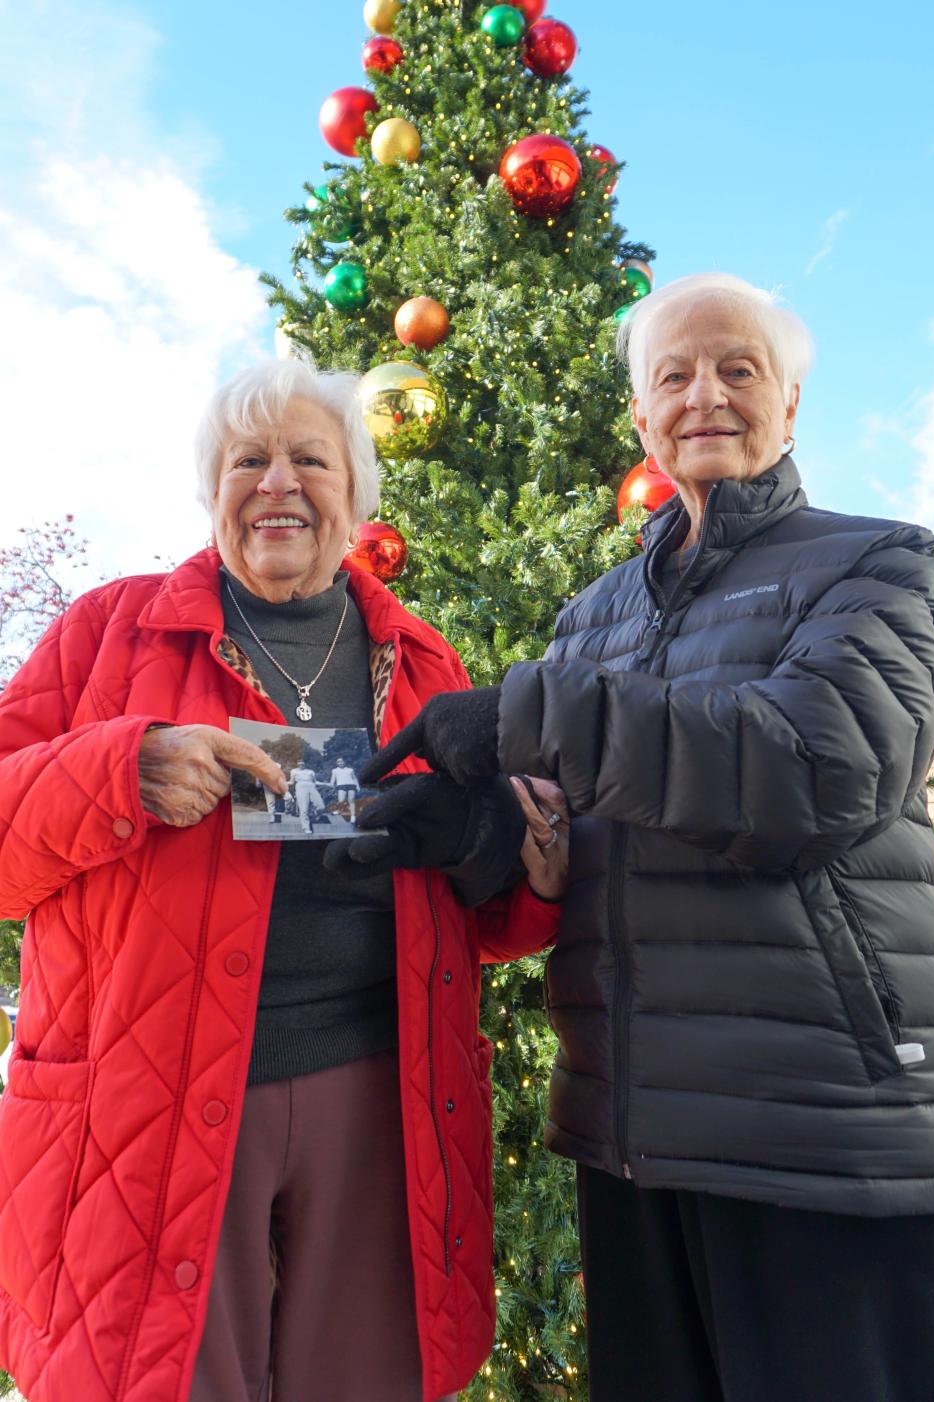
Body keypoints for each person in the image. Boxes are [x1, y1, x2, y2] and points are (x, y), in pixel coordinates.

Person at [366, 273, 934, 1402]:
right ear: (640, 416)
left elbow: (819, 766)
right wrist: (479, 832)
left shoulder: (878, 560)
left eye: (740, 369)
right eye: (674, 374)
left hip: (822, 1134)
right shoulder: (593, 615)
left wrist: (525, 713)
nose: (707, 395)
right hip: (631, 1132)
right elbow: (580, 823)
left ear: (790, 407)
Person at [0, 357, 568, 1402]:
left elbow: (484, 920)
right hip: (145, 1108)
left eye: (309, 457)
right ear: (211, 487)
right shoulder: (109, 633)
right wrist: (120, 766)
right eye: (247, 459)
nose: (277, 482)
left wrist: (495, 854)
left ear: (355, 492)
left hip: (380, 1100)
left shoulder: (427, 660)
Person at [326, 754, 360, 822]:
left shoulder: (350, 770)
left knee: (351, 801)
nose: (340, 763)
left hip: (351, 785)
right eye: (338, 762)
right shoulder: (334, 770)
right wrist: (329, 785)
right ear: (337, 763)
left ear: (344, 762)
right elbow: (332, 781)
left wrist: (358, 786)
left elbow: (354, 778)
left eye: (342, 761)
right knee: (341, 801)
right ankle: (339, 810)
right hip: (341, 786)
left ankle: (353, 816)